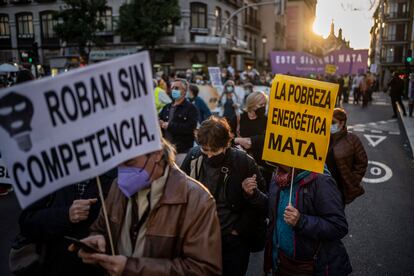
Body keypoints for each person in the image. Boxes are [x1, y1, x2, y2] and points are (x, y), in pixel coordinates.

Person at [73, 138, 222, 275]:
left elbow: (204, 270)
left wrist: (131, 268)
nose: (122, 170)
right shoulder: (117, 187)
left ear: (156, 153)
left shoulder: (197, 199)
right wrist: (97, 239)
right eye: (117, 162)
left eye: (129, 162)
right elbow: (101, 227)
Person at [181, 116, 268, 276]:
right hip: (199, 238)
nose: (209, 156)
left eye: (214, 151)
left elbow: (263, 204)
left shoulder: (243, 162)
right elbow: (179, 193)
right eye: (204, 150)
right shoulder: (193, 157)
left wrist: (239, 229)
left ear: (225, 144)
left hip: (233, 242)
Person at [17, 170, 115, 276]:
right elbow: (27, 222)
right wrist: (66, 215)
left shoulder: (115, 177)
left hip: (97, 268)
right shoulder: (50, 174)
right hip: (53, 266)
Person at [263, 163, 352, 275]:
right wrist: (254, 196)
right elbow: (272, 211)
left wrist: (301, 221)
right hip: (280, 262)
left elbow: (338, 226)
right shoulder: (278, 176)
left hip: (310, 267)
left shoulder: (321, 181)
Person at [327, 108, 368, 204]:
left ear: (342, 123)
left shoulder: (353, 140)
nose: (330, 125)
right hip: (322, 185)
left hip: (339, 188)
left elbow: (362, 163)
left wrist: (352, 180)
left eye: (333, 122)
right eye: (328, 121)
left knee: (336, 216)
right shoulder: (323, 137)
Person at [231, 91, 272, 184]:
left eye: (265, 104)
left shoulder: (266, 120)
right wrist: (238, 140)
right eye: (261, 104)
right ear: (252, 104)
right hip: (240, 165)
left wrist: (251, 141)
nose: (263, 107)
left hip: (261, 168)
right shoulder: (239, 118)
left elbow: (267, 139)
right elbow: (226, 138)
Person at [159, 79, 198, 166]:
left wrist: (170, 125)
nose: (173, 90)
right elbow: (160, 122)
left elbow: (190, 128)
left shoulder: (191, 108)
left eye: (176, 88)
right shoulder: (166, 107)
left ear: (184, 91)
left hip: (182, 151)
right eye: (172, 88)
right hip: (166, 152)